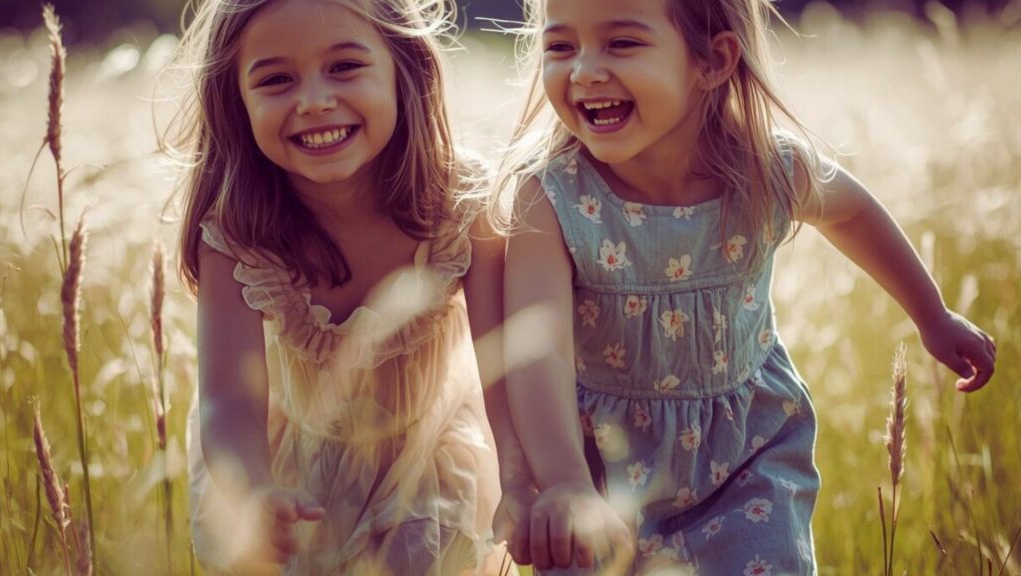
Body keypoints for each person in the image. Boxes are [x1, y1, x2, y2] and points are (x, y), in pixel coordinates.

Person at [493, 0, 998, 573]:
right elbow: (537, 350)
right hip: (600, 474)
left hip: (748, 460)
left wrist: (932, 316)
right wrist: (564, 481)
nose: (584, 71)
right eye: (560, 47)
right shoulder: (552, 198)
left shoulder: (763, 168)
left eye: (622, 43)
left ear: (713, 59)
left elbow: (851, 211)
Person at [167, 0, 524, 573]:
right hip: (295, 471)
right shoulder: (236, 237)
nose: (313, 101)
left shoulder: (461, 204)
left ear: (403, 69)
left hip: (429, 461)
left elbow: (504, 368)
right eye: (276, 80)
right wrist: (253, 489)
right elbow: (227, 401)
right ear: (237, 102)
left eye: (344, 67)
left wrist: (520, 474)